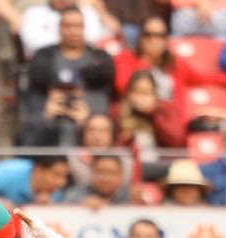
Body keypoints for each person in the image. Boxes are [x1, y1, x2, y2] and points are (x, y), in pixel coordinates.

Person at [19, 7, 116, 147]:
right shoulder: (44, 59)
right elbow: (28, 135)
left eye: (78, 26)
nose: (73, 31)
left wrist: (88, 122)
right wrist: (46, 116)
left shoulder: (99, 61)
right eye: (68, 26)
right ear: (59, 28)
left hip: (87, 140)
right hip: (51, 136)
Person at [113, 15, 226, 98]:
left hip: (167, 123)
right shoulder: (126, 58)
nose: (153, 40)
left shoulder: (175, 65)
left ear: (166, 40)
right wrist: (145, 61)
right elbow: (124, 86)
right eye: (148, 35)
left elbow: (206, 78)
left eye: (160, 35)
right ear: (140, 38)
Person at [116, 69, 185, 178]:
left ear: (155, 95)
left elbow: (175, 141)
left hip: (162, 166)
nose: (141, 97)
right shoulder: (119, 112)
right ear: (128, 94)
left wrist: (152, 113)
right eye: (136, 92)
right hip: (130, 168)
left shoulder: (166, 109)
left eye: (146, 93)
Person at [18, 0, 111, 60]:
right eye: (67, 27)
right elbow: (33, 43)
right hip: (46, 65)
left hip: (85, 65)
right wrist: (69, 42)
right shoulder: (34, 13)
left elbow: (94, 37)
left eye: (77, 26)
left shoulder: (87, 12)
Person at [0, 155, 70, 205]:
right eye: (56, 175)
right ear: (39, 170)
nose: (61, 182)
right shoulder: (7, 174)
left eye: (64, 176)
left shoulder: (56, 192)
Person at [63, 153, 130, 207]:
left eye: (111, 173)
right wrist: (81, 205)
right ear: (91, 174)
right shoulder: (75, 195)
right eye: (100, 172)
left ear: (121, 177)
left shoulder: (129, 196)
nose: (105, 178)